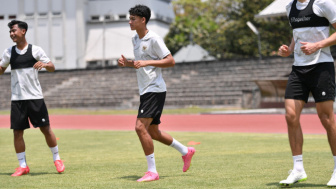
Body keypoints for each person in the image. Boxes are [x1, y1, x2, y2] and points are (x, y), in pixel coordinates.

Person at [118, 5, 196, 182]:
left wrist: (145, 63)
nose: (129, 22)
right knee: (153, 132)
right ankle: (186, 150)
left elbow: (170, 61)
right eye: (129, 18)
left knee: (139, 128)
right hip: (146, 90)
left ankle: (152, 171)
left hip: (155, 88)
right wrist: (128, 63)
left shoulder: (154, 38)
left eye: (133, 19)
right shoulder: (135, 39)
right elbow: (140, 63)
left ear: (143, 20)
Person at [278, 0, 336, 187]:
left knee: (326, 118)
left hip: (322, 68)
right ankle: (298, 169)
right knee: (290, 116)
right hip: (298, 70)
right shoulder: (290, 8)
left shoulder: (323, 4)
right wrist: (289, 49)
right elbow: (297, 35)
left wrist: (317, 45)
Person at [0, 20, 65, 176]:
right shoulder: (9, 52)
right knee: (17, 133)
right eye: (10, 31)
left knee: (46, 129)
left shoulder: (35, 50)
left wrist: (44, 64)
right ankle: (23, 166)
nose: (11, 34)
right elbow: (1, 70)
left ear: (23, 31)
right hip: (17, 99)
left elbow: (52, 67)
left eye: (14, 30)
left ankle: (57, 158)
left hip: (35, 98)